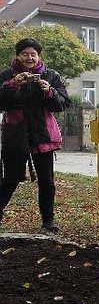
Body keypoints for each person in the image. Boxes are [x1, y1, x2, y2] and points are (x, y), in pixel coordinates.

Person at [0, 37, 70, 233]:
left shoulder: (50, 75)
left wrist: (49, 92)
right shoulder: (6, 76)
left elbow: (63, 103)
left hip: (42, 133)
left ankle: (48, 220)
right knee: (10, 179)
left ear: (38, 56)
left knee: (46, 180)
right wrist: (13, 84)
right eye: (25, 54)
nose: (29, 58)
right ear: (18, 56)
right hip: (16, 134)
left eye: (33, 54)